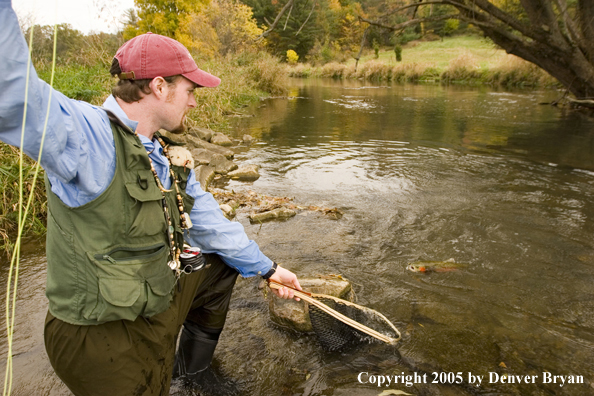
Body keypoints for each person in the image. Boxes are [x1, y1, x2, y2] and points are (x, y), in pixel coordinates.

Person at [0, 0, 302, 394]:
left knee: (219, 265)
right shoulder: (84, 134)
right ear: (160, 86)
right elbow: (12, 97)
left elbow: (207, 219)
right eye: (190, 90)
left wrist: (267, 267)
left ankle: (193, 376)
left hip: (155, 300)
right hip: (100, 334)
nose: (194, 101)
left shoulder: (161, 149)